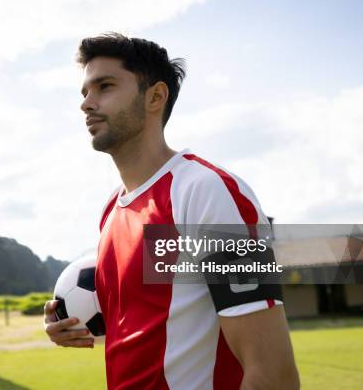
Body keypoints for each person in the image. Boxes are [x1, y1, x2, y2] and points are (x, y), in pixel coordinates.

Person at [44, 33, 300, 389]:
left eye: (104, 86)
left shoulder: (207, 193)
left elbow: (273, 374)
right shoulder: (111, 212)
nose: (86, 103)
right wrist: (71, 323)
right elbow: (157, 315)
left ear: (155, 97)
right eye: (85, 92)